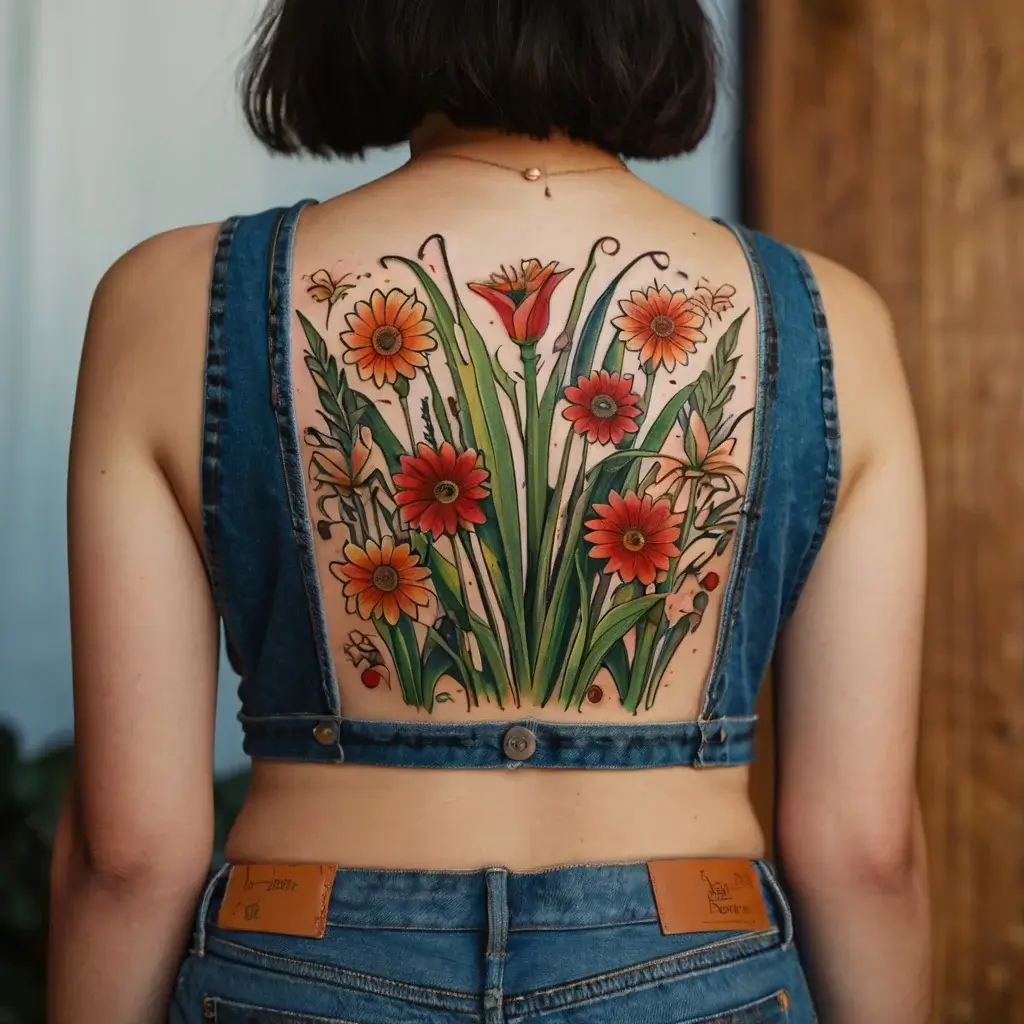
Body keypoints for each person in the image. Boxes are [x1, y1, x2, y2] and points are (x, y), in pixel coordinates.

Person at [47, 1, 932, 1021]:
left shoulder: (170, 300)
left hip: (305, 963)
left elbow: (126, 856)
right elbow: (864, 852)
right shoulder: (829, 325)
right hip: (693, 965)